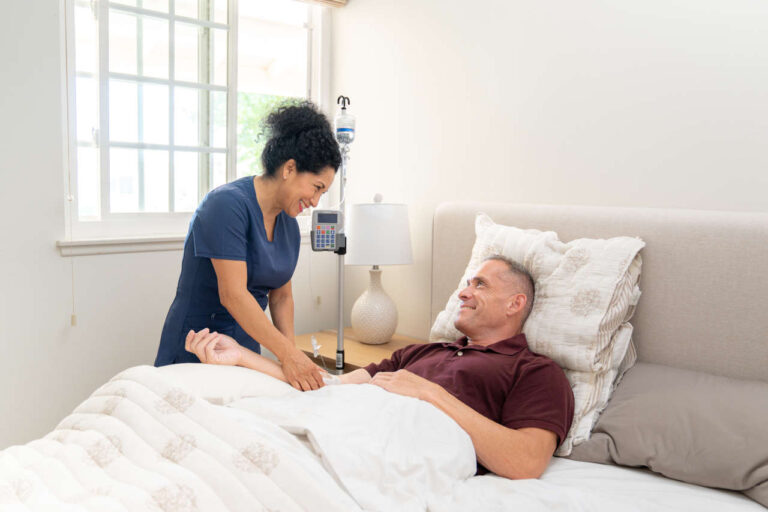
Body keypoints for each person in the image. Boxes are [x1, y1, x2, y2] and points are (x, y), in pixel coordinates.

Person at [185, 255, 575, 480]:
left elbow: (526, 462)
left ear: (515, 304)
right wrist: (240, 356)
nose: (463, 291)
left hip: (395, 448)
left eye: (481, 284)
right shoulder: (422, 353)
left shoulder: (536, 371)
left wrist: (429, 393)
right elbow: (327, 386)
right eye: (467, 283)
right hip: (347, 423)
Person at [155, 101, 341, 393]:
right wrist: (289, 356)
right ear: (290, 168)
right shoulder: (226, 205)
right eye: (316, 187)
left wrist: (290, 361)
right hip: (197, 344)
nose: (316, 202)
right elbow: (233, 295)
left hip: (244, 348)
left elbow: (281, 297)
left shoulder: (288, 225)